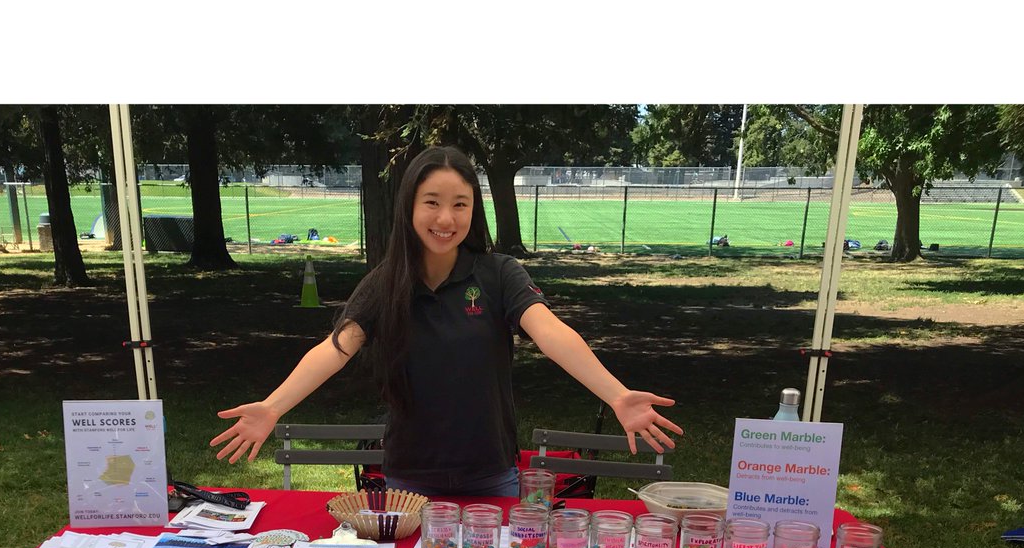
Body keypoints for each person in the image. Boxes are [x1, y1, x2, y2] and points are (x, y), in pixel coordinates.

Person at [211, 145, 682, 497]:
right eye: (432, 201)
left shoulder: (499, 273)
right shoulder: (384, 283)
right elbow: (334, 349)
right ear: (409, 207)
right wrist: (273, 407)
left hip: (492, 476)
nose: (446, 217)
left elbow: (551, 332)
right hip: (407, 480)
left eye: (460, 204)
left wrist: (616, 394)